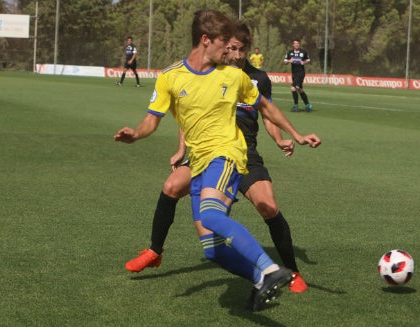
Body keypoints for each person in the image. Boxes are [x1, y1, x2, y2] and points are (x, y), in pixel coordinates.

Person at [114, 10, 321, 311]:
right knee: (213, 251)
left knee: (214, 216)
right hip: (198, 162)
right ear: (205, 40)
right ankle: (262, 279)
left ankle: (270, 268)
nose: (229, 50)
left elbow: (266, 107)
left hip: (227, 155)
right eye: (225, 42)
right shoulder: (171, 77)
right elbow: (151, 121)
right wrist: (135, 134)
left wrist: (296, 134)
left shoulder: (234, 76)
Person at [284, 39, 313, 112]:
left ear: (299, 44)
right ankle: (308, 105)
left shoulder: (303, 52)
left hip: (300, 73)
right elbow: (285, 61)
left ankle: (296, 106)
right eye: (295, 43)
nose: (296, 44)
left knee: (293, 88)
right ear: (293, 44)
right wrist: (288, 61)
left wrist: (304, 62)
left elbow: (308, 60)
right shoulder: (290, 53)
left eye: (298, 43)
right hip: (294, 74)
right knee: (299, 89)